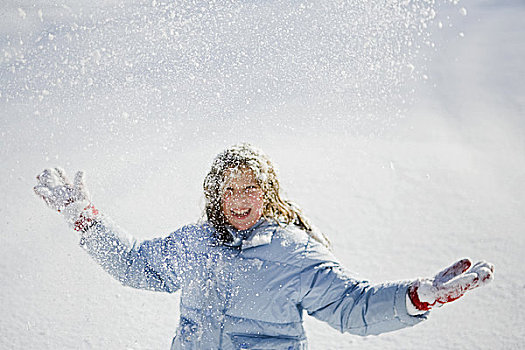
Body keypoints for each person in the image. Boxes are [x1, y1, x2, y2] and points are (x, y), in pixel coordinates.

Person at [34, 143, 494, 349]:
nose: (239, 199)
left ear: (267, 192)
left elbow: (353, 307)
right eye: (228, 189)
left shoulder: (293, 254)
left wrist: (414, 297)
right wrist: (86, 220)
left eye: (250, 188)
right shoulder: (196, 244)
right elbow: (135, 265)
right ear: (216, 194)